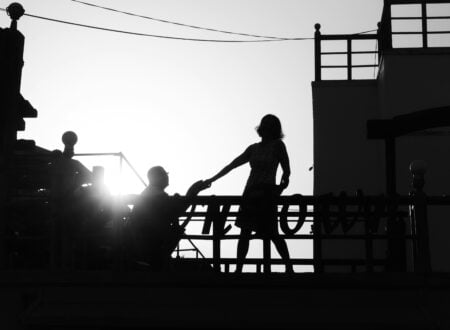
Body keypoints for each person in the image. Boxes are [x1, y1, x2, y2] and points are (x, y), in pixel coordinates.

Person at [205, 114, 293, 273]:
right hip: (250, 194)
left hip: (267, 196)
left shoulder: (278, 145)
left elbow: (286, 172)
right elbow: (232, 165)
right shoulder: (253, 148)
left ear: (275, 129)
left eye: (270, 125)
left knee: (273, 233)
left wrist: (279, 190)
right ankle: (238, 269)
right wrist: (212, 179)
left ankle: (289, 267)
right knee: (245, 233)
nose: (266, 128)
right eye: (264, 125)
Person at [131, 165, 208, 270]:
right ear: (157, 178)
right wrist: (193, 191)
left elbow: (173, 209)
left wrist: (192, 192)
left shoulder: (151, 193)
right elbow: (177, 210)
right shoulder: (156, 195)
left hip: (144, 242)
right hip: (150, 244)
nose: (166, 177)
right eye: (164, 175)